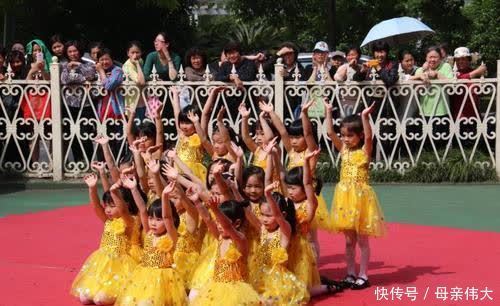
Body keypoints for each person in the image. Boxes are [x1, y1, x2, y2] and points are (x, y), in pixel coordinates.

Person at [324, 102, 386, 290]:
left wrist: (365, 118)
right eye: (343, 135)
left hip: (361, 200)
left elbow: (369, 136)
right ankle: (350, 273)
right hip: (344, 200)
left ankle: (363, 274)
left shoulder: (364, 152)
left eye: (350, 135)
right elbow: (330, 133)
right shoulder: (343, 151)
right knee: (349, 241)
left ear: (358, 136)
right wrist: (328, 112)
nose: (345, 139)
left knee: (362, 240)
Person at [116, 180, 188, 306]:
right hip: (144, 276)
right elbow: (143, 210)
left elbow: (168, 218)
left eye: (158, 219)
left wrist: (165, 197)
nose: (153, 223)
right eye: (151, 218)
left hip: (163, 281)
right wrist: (134, 189)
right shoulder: (149, 232)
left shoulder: (172, 235)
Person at [70, 174, 138, 305]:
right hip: (103, 263)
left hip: (120, 264)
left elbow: (123, 211)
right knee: (84, 298)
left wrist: (114, 192)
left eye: (112, 206)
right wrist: (92, 188)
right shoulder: (108, 221)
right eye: (106, 206)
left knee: (100, 300)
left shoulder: (129, 221)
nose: (107, 210)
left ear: (126, 204)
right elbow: (96, 206)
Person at [191, 199, 261, 306]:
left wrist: (215, 209)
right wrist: (197, 202)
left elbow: (228, 227)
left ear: (237, 223)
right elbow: (208, 219)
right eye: (217, 222)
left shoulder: (240, 240)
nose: (219, 225)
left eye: (221, 222)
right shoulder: (220, 237)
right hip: (216, 288)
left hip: (236, 291)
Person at [60, 40, 96, 167]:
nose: (72, 53)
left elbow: (91, 75)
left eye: (75, 50)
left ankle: (90, 162)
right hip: (69, 105)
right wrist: (82, 79)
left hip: (85, 104)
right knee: (72, 135)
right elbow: (64, 80)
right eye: (70, 51)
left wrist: (78, 66)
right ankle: (78, 162)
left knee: (85, 134)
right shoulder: (63, 65)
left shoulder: (88, 63)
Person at [413, 46, 453, 149]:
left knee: (441, 142)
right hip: (424, 111)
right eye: (430, 57)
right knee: (426, 144)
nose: (432, 60)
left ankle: (441, 163)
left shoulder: (446, 66)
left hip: (441, 111)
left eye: (435, 57)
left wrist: (437, 74)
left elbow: (452, 84)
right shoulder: (420, 70)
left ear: (440, 58)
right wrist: (421, 75)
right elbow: (411, 84)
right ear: (426, 58)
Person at [21, 39, 53, 163]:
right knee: (33, 134)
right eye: (35, 50)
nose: (37, 52)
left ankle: (52, 164)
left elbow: (50, 82)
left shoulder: (49, 64)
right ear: (30, 52)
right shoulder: (26, 64)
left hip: (46, 102)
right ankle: (35, 163)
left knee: (50, 133)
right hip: (31, 102)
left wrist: (43, 69)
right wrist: (33, 70)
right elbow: (25, 83)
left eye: (40, 50)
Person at [170, 87, 207, 183]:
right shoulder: (182, 135)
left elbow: (205, 115)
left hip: (193, 174)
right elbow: (176, 113)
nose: (184, 126)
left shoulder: (199, 136)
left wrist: (196, 123)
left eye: (188, 123)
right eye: (182, 123)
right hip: (178, 172)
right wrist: (176, 95)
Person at [450, 47, 487, 120]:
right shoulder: (452, 74)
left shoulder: (476, 74)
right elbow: (459, 80)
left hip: (474, 115)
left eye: (463, 59)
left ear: (469, 60)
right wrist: (476, 72)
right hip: (457, 116)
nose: (460, 61)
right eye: (457, 59)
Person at [334, 46, 369, 116]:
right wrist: (348, 66)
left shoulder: (362, 67)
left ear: (358, 56)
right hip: (345, 102)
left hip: (360, 101)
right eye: (348, 55)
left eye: (353, 55)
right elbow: (338, 78)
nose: (350, 57)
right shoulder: (344, 66)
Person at [122, 41, 146, 119]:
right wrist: (137, 64)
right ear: (128, 53)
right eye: (132, 53)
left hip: (142, 100)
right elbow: (141, 82)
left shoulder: (141, 60)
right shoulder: (128, 65)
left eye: (137, 52)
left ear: (141, 53)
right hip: (133, 103)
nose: (135, 55)